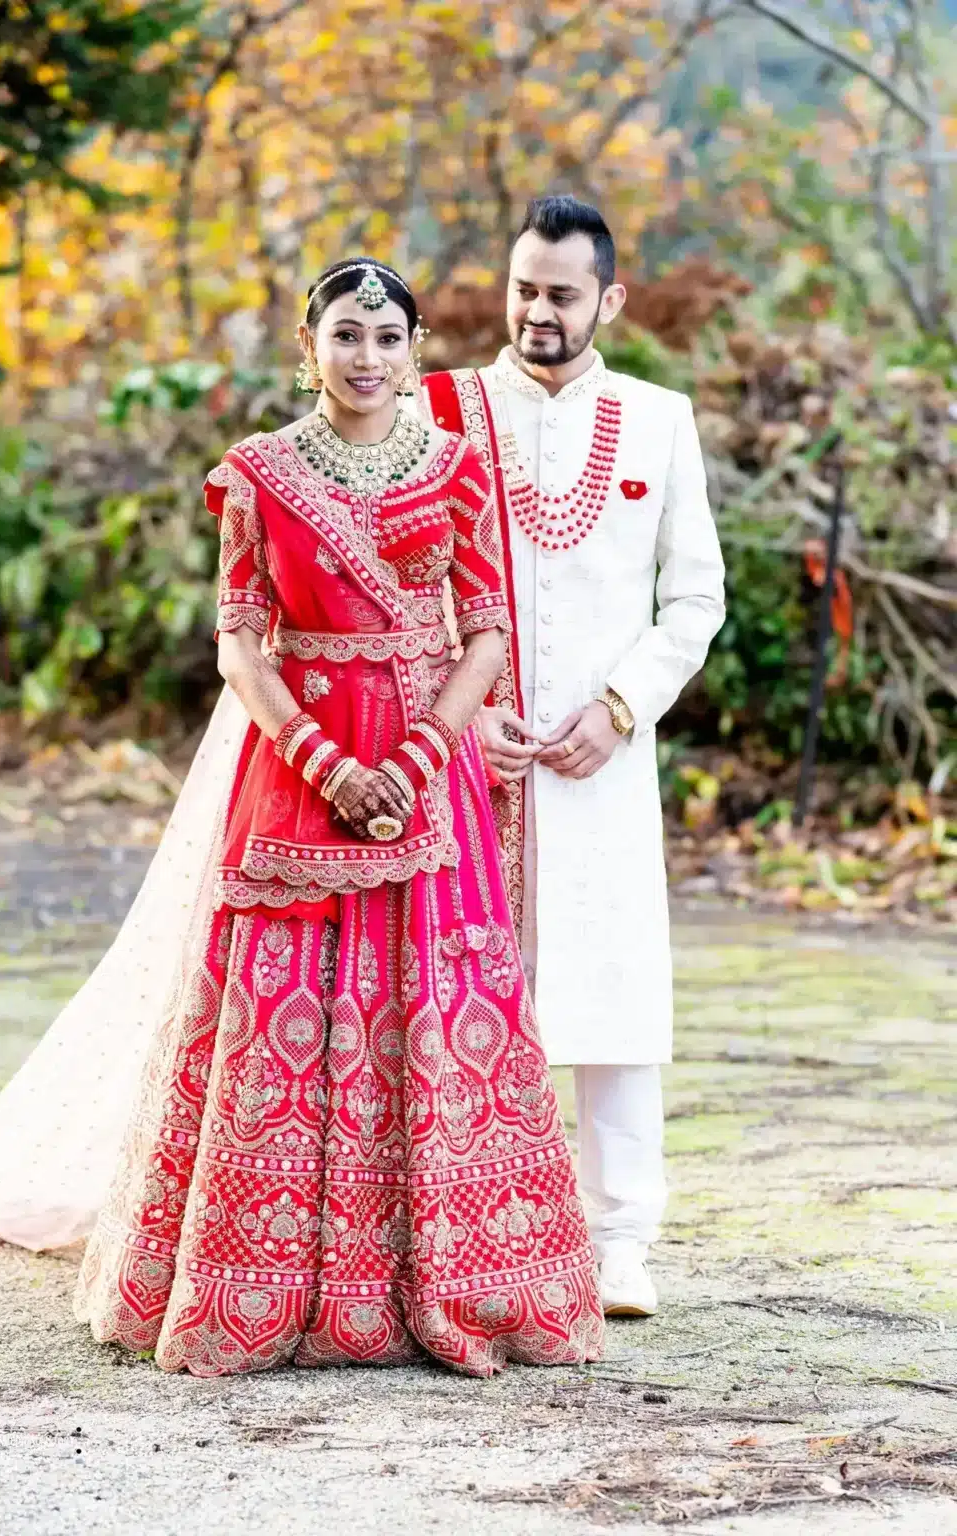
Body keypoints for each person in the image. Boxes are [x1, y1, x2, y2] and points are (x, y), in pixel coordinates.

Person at [0, 258, 604, 1378]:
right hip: (299, 761)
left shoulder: (453, 468)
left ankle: (454, 1285)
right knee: (280, 1006)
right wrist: (326, 761)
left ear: (417, 348)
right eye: (347, 335)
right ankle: (263, 1289)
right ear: (309, 347)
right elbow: (240, 637)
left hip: (427, 765)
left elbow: (485, 627)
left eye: (389, 338)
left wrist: (426, 746)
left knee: (439, 1000)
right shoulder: (259, 474)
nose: (369, 358)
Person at [424, 197, 725, 1319]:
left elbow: (695, 596)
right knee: (449, 990)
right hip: (466, 755)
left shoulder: (658, 418)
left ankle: (620, 1246)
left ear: (609, 300)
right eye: (522, 289)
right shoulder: (439, 408)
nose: (536, 312)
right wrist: (458, 709)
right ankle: (455, 1233)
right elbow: (406, 583)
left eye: (559, 293)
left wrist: (620, 705)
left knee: (613, 990)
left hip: (601, 759)